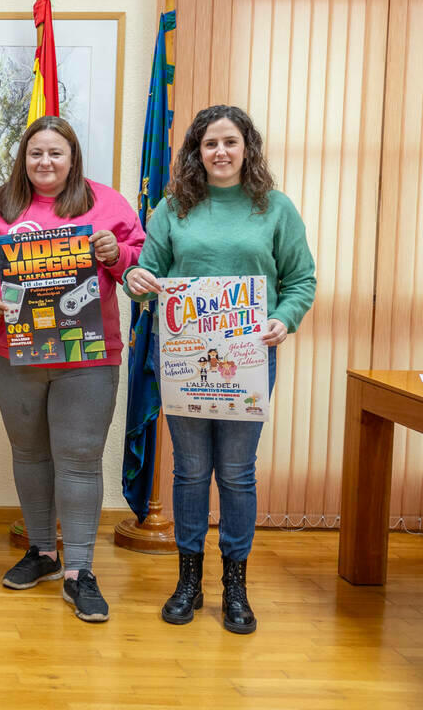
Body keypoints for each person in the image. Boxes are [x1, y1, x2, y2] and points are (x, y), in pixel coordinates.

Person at [123, 104, 316, 635]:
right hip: (184, 359)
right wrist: (135, 278)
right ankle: (188, 581)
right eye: (210, 144)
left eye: (231, 142)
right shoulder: (172, 208)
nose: (221, 152)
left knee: (235, 473)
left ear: (247, 148)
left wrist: (283, 319)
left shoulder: (275, 209)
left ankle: (236, 585)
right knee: (188, 472)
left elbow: (301, 280)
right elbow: (146, 271)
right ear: (196, 152)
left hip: (251, 359)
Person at [0, 115, 145, 623]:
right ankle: (43, 553)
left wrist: (116, 252)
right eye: (36, 153)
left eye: (56, 153)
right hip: (13, 353)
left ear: (73, 158)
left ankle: (80, 570)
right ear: (24, 158)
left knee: (79, 457)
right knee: (30, 452)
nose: (45, 162)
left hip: (87, 356)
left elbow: (141, 263)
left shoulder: (107, 203)